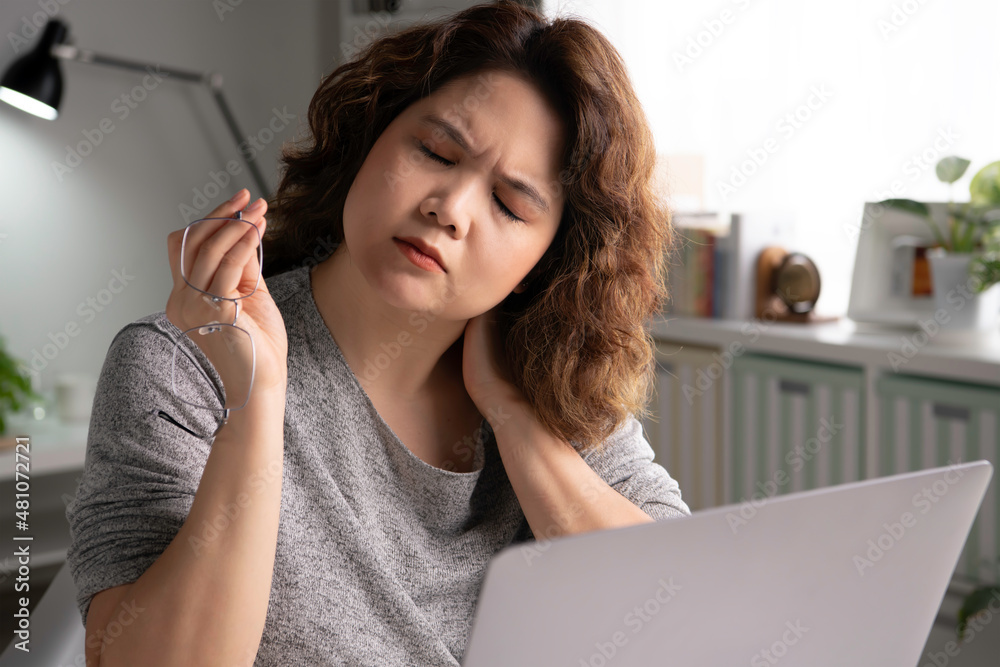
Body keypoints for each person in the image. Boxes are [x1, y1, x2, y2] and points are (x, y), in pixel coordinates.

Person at [65, 1, 691, 665]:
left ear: (550, 260)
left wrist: (513, 416)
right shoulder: (179, 367)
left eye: (509, 204)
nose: (450, 209)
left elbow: (679, 614)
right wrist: (256, 400)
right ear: (372, 135)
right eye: (436, 151)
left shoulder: (552, 386)